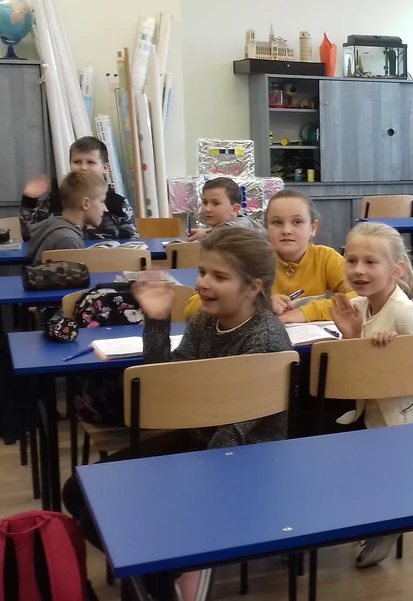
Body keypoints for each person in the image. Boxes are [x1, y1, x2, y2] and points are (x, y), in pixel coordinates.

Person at [61, 227, 293, 596]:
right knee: (78, 492)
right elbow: (167, 384)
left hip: (241, 458)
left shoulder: (265, 341)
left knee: (109, 513)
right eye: (202, 272)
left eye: (220, 277)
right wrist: (157, 319)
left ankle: (171, 573)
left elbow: (236, 432)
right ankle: (168, 571)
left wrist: (178, 482)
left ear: (253, 288)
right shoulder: (205, 320)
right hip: (200, 439)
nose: (203, 283)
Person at [328, 221, 413, 568]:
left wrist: (394, 352)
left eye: (370, 262)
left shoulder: (407, 313)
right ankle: (379, 517)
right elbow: (357, 372)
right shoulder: (359, 306)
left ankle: (389, 521)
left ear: (396, 271)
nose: (358, 270)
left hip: (410, 421)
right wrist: (352, 338)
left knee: (369, 469)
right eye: (351, 260)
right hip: (375, 411)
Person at [181, 189, 352, 322]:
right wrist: (257, 303)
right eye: (277, 222)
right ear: (266, 228)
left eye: (297, 222)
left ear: (313, 227)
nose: (286, 230)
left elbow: (361, 296)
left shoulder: (326, 258)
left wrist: (306, 312)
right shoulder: (249, 259)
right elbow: (192, 308)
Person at [20, 136, 137, 240]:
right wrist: (29, 200)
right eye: (77, 162)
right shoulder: (55, 199)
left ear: (105, 168)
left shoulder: (118, 205)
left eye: (90, 162)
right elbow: (29, 236)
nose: (83, 168)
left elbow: (133, 246)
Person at [25, 170, 108, 264]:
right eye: (102, 201)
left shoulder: (54, 228)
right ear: (86, 204)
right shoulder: (68, 241)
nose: (105, 209)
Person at [185, 177, 265, 241]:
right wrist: (205, 232)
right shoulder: (237, 223)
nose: (207, 209)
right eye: (205, 202)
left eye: (216, 203)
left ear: (234, 209)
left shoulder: (236, 231)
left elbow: (226, 232)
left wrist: (206, 233)